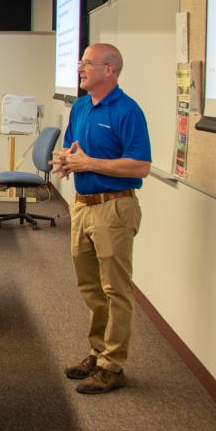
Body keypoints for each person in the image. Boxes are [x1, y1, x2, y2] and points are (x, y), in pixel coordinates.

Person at [52, 43, 151, 394]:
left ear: (110, 70)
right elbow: (73, 149)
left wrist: (89, 163)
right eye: (80, 62)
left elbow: (141, 166)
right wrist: (65, 161)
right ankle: (97, 353)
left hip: (114, 207)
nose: (80, 68)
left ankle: (113, 365)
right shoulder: (81, 107)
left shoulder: (128, 111)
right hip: (82, 205)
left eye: (87, 63)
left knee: (115, 289)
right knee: (90, 286)